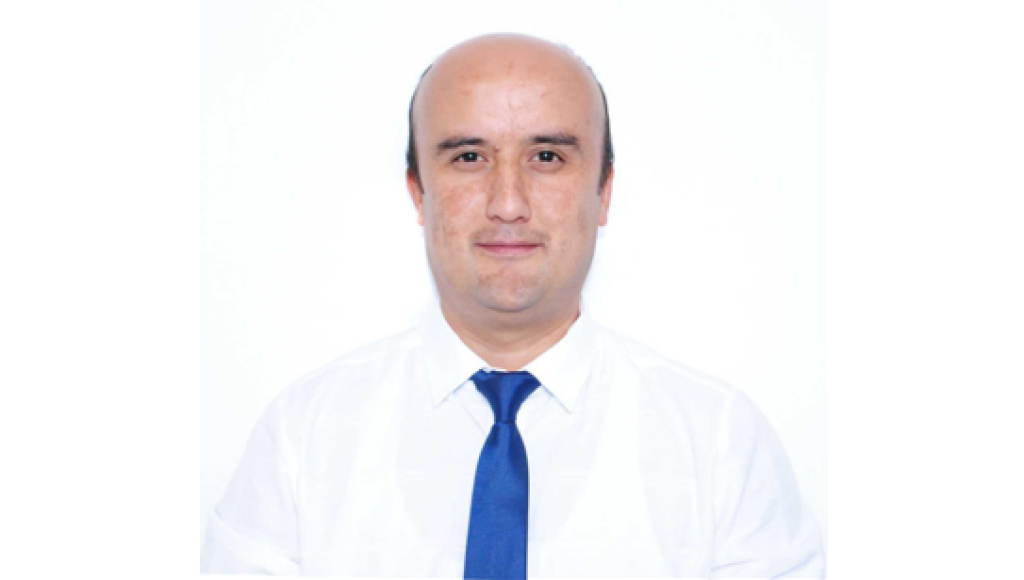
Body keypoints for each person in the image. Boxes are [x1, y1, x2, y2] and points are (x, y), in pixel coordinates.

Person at [201, 33, 824, 577]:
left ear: (604, 192)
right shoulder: (302, 440)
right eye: (469, 157)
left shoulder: (720, 445)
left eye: (547, 157)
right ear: (418, 192)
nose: (507, 203)